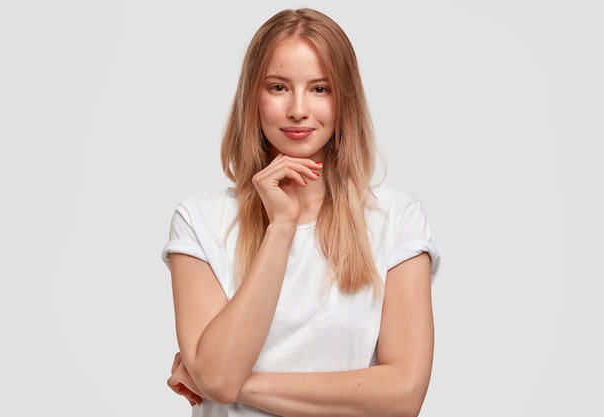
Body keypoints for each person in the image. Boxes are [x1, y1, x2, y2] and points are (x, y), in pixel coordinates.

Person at [161, 7, 440, 417]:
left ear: (344, 100)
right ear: (252, 97)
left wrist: (231, 382)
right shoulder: (199, 219)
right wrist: (282, 226)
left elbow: (403, 396)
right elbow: (219, 379)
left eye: (319, 89)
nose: (297, 109)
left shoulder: (396, 217)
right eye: (277, 87)